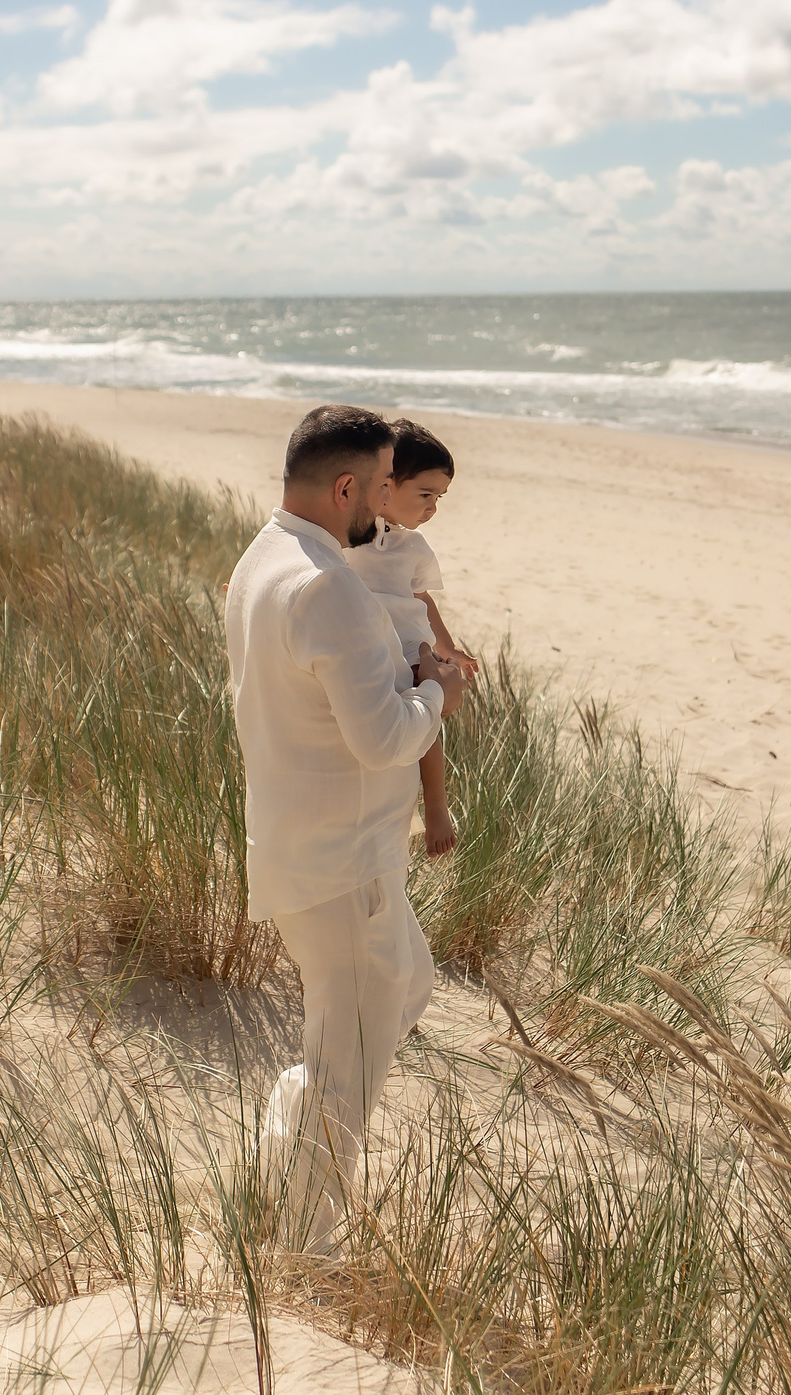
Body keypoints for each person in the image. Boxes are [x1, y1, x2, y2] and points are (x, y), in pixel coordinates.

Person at [224, 403, 470, 1252]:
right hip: (344, 869)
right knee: (346, 1073)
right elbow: (387, 738)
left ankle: (287, 1136)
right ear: (344, 486)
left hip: (316, 853)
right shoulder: (329, 587)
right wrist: (441, 691)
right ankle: (301, 1248)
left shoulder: (261, 557)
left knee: (408, 986)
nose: (383, 501)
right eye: (376, 484)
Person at [341, 419, 476, 856]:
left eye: (439, 498)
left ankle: (436, 805)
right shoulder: (346, 534)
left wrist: (448, 647)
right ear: (386, 483)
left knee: (428, 706)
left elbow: (422, 601)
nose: (432, 508)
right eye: (424, 494)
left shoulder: (413, 547)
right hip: (364, 643)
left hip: (408, 645)